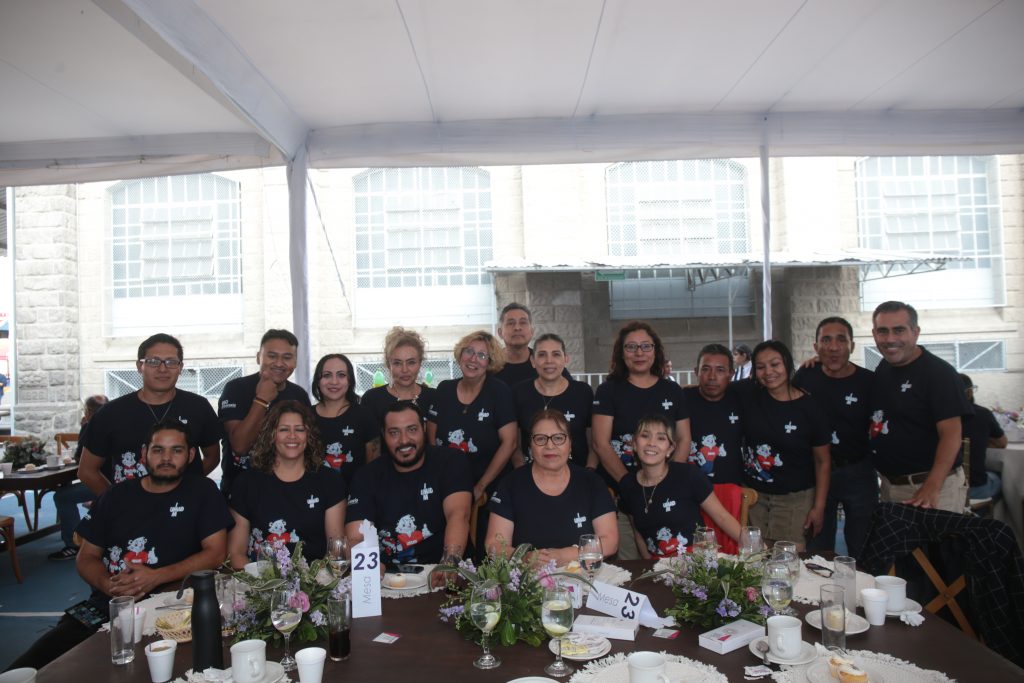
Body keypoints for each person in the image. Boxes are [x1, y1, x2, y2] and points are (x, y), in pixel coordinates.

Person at [9, 420, 232, 671]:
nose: (166, 458)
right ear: (144, 454)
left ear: (191, 455)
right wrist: (110, 586)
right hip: (106, 608)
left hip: (171, 610)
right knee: (32, 668)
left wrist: (155, 577)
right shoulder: (115, 496)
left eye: (177, 450)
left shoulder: (202, 492)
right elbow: (86, 557)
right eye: (158, 450)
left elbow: (216, 553)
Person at [593, 321, 691, 559]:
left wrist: (668, 483)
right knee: (627, 566)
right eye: (631, 347)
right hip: (620, 493)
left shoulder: (672, 391)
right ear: (620, 352)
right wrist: (628, 485)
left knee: (666, 565)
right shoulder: (608, 391)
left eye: (646, 346)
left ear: (656, 351)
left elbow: (684, 438)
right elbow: (600, 443)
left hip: (663, 493)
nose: (639, 353)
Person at [79, 333, 221, 496]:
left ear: (180, 367)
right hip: (131, 511)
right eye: (153, 362)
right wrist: (116, 504)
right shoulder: (110, 413)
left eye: (171, 362)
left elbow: (213, 457)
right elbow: (87, 471)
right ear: (140, 366)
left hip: (186, 509)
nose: (162, 369)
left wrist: (185, 486)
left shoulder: (198, 407)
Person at [867, 301, 971, 513]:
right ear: (874, 334)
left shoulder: (939, 374)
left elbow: (951, 434)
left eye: (899, 330)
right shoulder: (884, 367)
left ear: (915, 333)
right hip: (890, 488)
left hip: (932, 490)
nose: (890, 339)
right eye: (882, 331)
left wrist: (932, 486)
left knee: (937, 548)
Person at [347, 401, 472, 565]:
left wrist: (449, 563)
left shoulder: (451, 462)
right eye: (394, 433)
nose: (404, 440)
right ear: (383, 435)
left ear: (424, 429)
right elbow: (356, 536)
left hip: (440, 567)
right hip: (386, 575)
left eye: (412, 430)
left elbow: (458, 515)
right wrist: (370, 570)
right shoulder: (366, 476)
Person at [792, 317, 877, 557]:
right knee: (818, 547)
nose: (833, 347)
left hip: (859, 470)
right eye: (825, 340)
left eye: (841, 339)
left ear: (852, 345)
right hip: (816, 472)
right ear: (816, 347)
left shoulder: (869, 382)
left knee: (864, 544)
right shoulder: (805, 377)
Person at [486, 409, 618, 564]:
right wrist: (523, 557)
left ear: (570, 444)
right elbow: (493, 545)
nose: (550, 445)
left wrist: (563, 556)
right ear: (530, 445)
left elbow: (610, 542)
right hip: (528, 579)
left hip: (583, 576)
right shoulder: (510, 484)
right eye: (541, 439)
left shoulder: (592, 482)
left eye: (558, 438)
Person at [738, 340, 831, 550]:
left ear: (787, 364)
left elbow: (823, 461)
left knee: (789, 563)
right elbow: (715, 387)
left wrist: (819, 506)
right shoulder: (748, 394)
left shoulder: (810, 407)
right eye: (761, 367)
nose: (768, 372)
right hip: (754, 499)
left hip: (794, 500)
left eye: (775, 364)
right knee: (754, 561)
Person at [228, 401, 345, 566]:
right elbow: (235, 553)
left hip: (314, 584)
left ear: (309, 435)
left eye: (299, 429)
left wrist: (314, 586)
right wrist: (262, 586)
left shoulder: (329, 481)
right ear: (271, 435)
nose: (292, 436)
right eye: (283, 429)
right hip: (261, 584)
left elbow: (336, 552)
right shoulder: (246, 483)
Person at [619, 414, 740, 558]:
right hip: (658, 566)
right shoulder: (627, 484)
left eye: (661, 438)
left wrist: (756, 546)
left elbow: (722, 517)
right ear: (634, 443)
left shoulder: (688, 475)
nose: (651, 443)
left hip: (697, 561)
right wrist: (648, 566)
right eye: (645, 436)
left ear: (670, 449)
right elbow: (638, 532)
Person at [427, 330, 517, 503]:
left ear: (489, 363)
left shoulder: (499, 392)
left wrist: (480, 486)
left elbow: (510, 442)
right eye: (469, 351)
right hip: (447, 485)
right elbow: (431, 437)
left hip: (489, 487)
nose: (473, 359)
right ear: (461, 354)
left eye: (482, 355)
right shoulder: (444, 389)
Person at [219, 329, 310, 496]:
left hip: (288, 491)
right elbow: (239, 446)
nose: (279, 363)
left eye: (287, 357)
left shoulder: (299, 395)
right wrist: (262, 400)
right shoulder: (236, 389)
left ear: (296, 362)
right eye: (272, 356)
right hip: (241, 492)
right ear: (258, 357)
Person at [511, 333, 596, 469]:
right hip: (532, 476)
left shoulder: (583, 392)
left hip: (578, 476)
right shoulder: (519, 393)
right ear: (533, 361)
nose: (549, 360)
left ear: (566, 359)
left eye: (556, 354)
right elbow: (514, 445)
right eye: (542, 354)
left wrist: (589, 473)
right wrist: (522, 474)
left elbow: (594, 443)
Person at [48, 394, 108, 561]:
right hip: (118, 480)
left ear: (88, 412)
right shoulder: (114, 425)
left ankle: (73, 545)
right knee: (66, 492)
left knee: (62, 496)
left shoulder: (93, 427)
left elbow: (79, 458)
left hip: (103, 482)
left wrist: (85, 427)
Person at [683, 344, 744, 484]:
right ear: (696, 372)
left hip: (730, 487)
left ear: (731, 374)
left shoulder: (741, 399)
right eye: (705, 369)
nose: (712, 377)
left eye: (720, 370)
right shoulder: (681, 400)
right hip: (689, 488)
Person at [311, 353, 376, 485]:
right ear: (318, 380)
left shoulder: (365, 416)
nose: (334, 382)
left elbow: (374, 467)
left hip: (356, 496)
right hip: (314, 497)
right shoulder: (306, 416)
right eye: (327, 375)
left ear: (350, 380)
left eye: (341, 375)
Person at [960, 373, 1007, 501]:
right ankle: (987, 514)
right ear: (969, 393)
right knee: (1002, 477)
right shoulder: (981, 414)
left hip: (940, 487)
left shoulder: (933, 417)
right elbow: (1002, 443)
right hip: (974, 488)